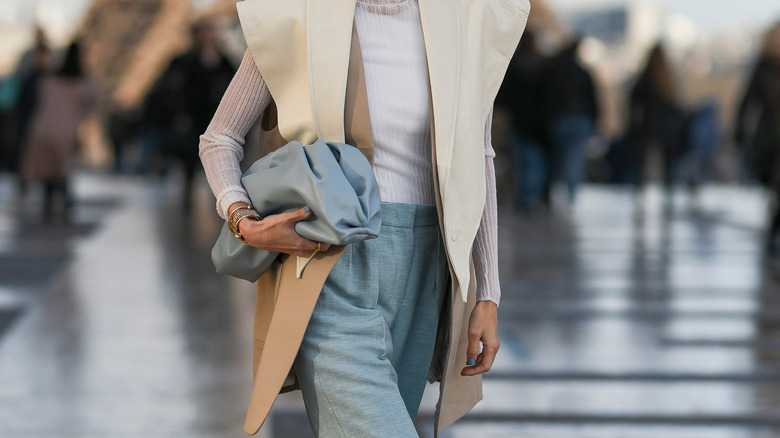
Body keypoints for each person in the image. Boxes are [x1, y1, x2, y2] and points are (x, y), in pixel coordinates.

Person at [199, 0, 529, 436]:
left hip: (425, 272)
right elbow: (219, 138)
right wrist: (243, 219)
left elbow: (479, 155)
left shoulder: (460, 24)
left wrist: (487, 292)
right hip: (330, 270)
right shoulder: (298, 19)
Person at [142, 19, 234, 206]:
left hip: (218, 118)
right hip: (192, 121)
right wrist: (179, 116)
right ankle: (189, 201)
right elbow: (172, 90)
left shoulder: (223, 62)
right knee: (190, 163)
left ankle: (225, 201)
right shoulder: (183, 62)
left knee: (221, 161)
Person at [19, 41, 96, 217]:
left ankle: (51, 205)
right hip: (64, 133)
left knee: (47, 171)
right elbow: (93, 100)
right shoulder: (82, 83)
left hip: (40, 129)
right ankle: (62, 204)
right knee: (60, 170)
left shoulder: (49, 81)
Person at [735, 23, 780, 255]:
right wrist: (739, 133)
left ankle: (774, 229)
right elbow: (747, 101)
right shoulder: (763, 67)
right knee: (772, 183)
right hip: (769, 137)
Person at [496, 28, 551, 211]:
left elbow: (503, 95)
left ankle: (524, 197)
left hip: (518, 120)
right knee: (534, 161)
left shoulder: (513, 63)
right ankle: (530, 196)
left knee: (520, 161)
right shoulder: (543, 65)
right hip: (538, 122)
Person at [539, 38, 599, 204]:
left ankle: (553, 192)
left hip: (559, 119)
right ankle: (571, 195)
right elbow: (592, 100)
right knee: (574, 158)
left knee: (557, 157)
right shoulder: (582, 73)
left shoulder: (554, 72)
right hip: (579, 120)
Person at [628, 42, 686, 206]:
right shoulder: (668, 81)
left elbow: (634, 103)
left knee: (642, 164)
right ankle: (668, 197)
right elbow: (676, 107)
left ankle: (640, 196)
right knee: (667, 165)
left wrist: (633, 126)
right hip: (666, 129)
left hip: (647, 128)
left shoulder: (644, 79)